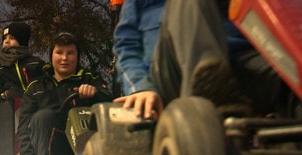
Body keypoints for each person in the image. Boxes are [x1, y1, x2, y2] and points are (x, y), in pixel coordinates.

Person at [113, 0, 284, 118]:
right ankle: (210, 88)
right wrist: (140, 87)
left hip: (242, 62)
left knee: (290, 82)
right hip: (173, 74)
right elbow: (126, 46)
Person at [18, 32, 112, 155]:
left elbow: (111, 107)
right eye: (59, 52)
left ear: (77, 56)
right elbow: (24, 127)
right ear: (51, 56)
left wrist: (94, 95)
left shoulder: (91, 79)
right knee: (43, 117)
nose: (64, 58)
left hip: (86, 148)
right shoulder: (36, 87)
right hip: (50, 149)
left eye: (70, 53)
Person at [0, 22, 46, 103]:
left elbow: (45, 85)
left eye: (11, 38)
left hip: (38, 105)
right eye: (5, 38)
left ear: (21, 41)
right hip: (14, 108)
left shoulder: (35, 63)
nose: (7, 41)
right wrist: (7, 95)